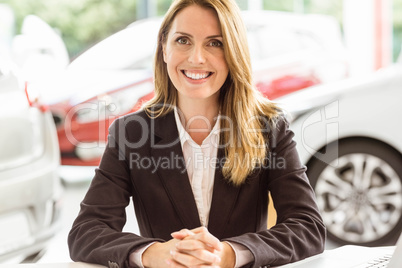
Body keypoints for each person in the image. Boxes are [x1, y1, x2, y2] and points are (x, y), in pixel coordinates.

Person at [68, 0, 326, 267]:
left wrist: (228, 254)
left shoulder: (269, 128)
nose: (196, 58)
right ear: (164, 48)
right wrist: (153, 254)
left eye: (215, 43)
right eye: (183, 40)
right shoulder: (130, 134)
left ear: (233, 51)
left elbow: (307, 227)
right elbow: (85, 232)